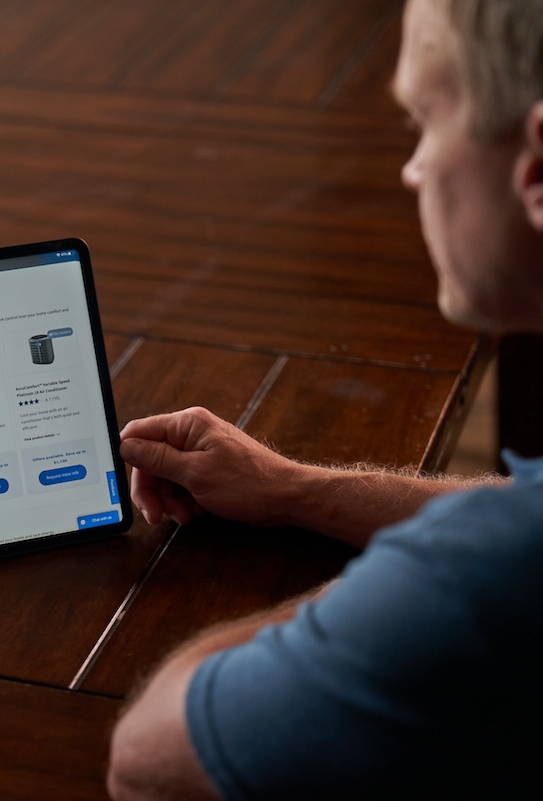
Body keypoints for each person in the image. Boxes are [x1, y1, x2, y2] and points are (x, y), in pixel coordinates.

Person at [107, 0, 543, 798]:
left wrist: (403, 585)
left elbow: (148, 760)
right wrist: (296, 491)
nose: (410, 169)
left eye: (424, 120)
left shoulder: (487, 578)